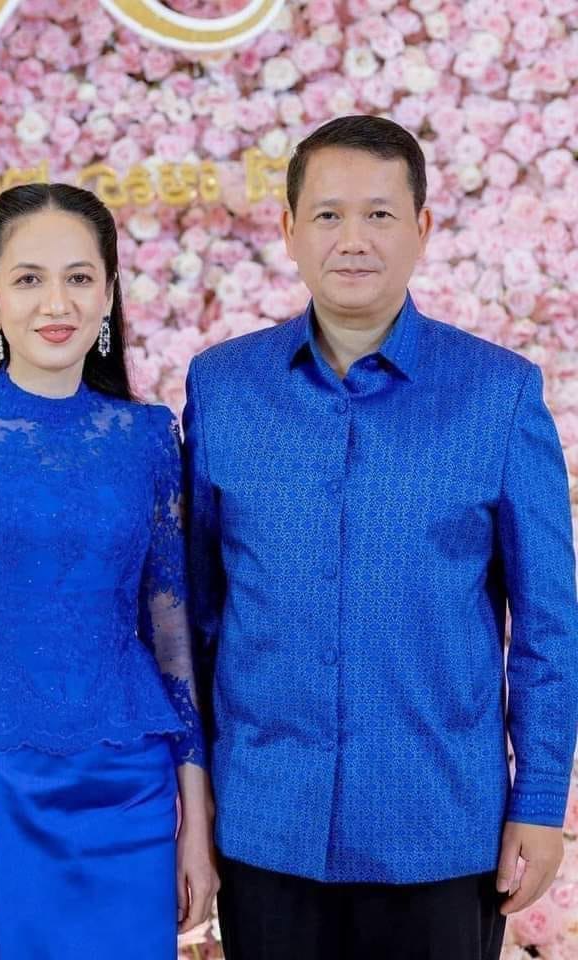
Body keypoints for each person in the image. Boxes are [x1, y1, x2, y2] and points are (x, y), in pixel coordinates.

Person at [183, 115, 578, 960]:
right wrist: (196, 793)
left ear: (422, 228)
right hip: (267, 824)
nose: (353, 239)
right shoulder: (223, 388)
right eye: (328, 215)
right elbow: (199, 611)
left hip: (439, 828)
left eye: (380, 214)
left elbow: (548, 624)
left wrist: (541, 800)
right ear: (288, 230)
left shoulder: (499, 395)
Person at [0, 182, 219, 958]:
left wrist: (196, 824)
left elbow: (173, 644)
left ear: (109, 293)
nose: (56, 303)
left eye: (79, 277)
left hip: (129, 798)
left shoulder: (149, 437)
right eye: (29, 278)